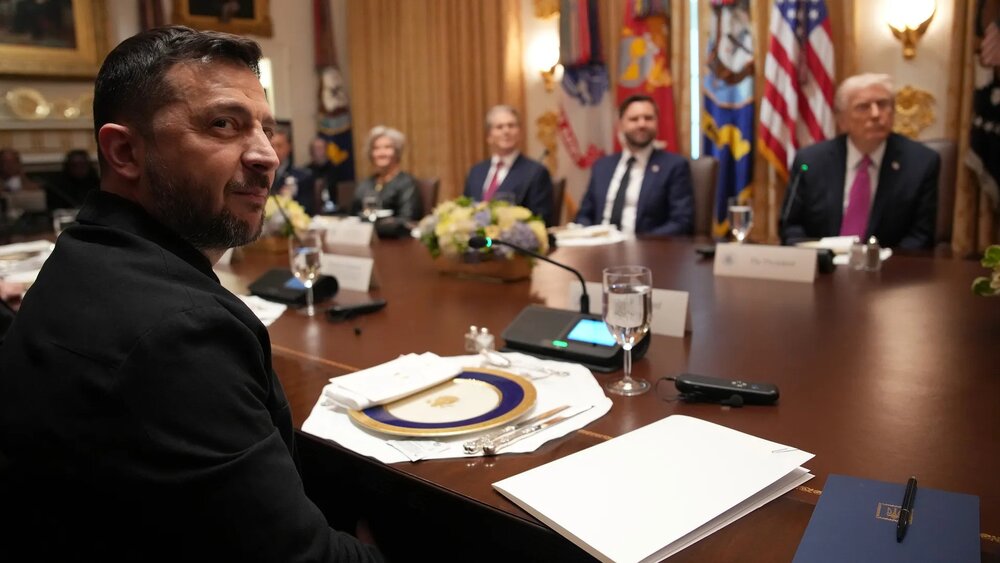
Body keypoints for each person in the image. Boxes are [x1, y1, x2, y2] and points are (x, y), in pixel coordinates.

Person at [0, 26, 382, 562]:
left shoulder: (82, 254)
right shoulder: (178, 333)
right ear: (125, 151)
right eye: (223, 124)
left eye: (267, 130)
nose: (267, 155)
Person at [779, 73, 939, 249]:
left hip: (888, 264)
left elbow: (920, 236)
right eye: (863, 107)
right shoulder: (810, 161)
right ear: (842, 120)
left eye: (883, 104)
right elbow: (790, 226)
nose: (876, 114)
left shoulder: (921, 163)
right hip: (822, 262)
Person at [574, 95, 694, 236]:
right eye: (634, 119)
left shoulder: (674, 166)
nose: (642, 124)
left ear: (657, 123)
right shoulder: (602, 166)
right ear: (620, 125)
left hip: (646, 246)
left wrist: (637, 243)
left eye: (648, 118)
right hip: (599, 245)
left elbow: (681, 222)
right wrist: (585, 235)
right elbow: (584, 215)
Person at [463, 105, 554, 225]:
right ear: (489, 137)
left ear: (519, 133)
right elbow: (465, 212)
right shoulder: (476, 172)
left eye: (511, 126)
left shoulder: (536, 173)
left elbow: (541, 220)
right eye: (499, 127)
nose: (506, 131)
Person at [351, 125, 423, 224]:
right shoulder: (365, 184)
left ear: (397, 152)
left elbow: (408, 219)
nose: (381, 153)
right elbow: (353, 216)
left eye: (387, 147)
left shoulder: (407, 183)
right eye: (376, 148)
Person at [271, 129, 316, 214]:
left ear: (289, 147)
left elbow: (307, 209)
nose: (275, 150)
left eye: (279, 146)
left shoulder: (303, 176)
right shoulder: (262, 175)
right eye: (272, 146)